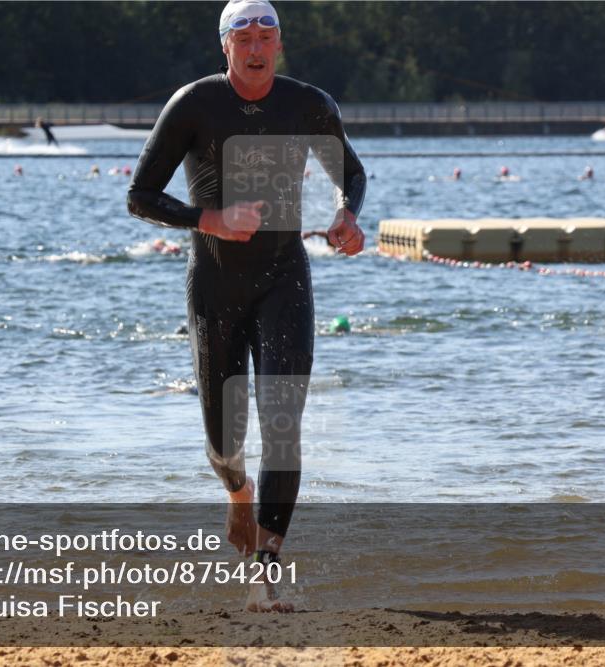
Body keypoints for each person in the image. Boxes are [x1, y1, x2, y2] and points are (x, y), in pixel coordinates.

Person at [126, 0, 366, 612]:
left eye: (267, 36)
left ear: (279, 45)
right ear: (225, 46)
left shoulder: (308, 104)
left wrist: (346, 215)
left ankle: (265, 572)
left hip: (285, 279)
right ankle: (238, 492)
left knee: (283, 424)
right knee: (223, 442)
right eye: (244, 37)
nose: (256, 48)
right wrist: (210, 219)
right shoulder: (194, 104)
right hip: (215, 285)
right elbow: (140, 196)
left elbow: (351, 173)